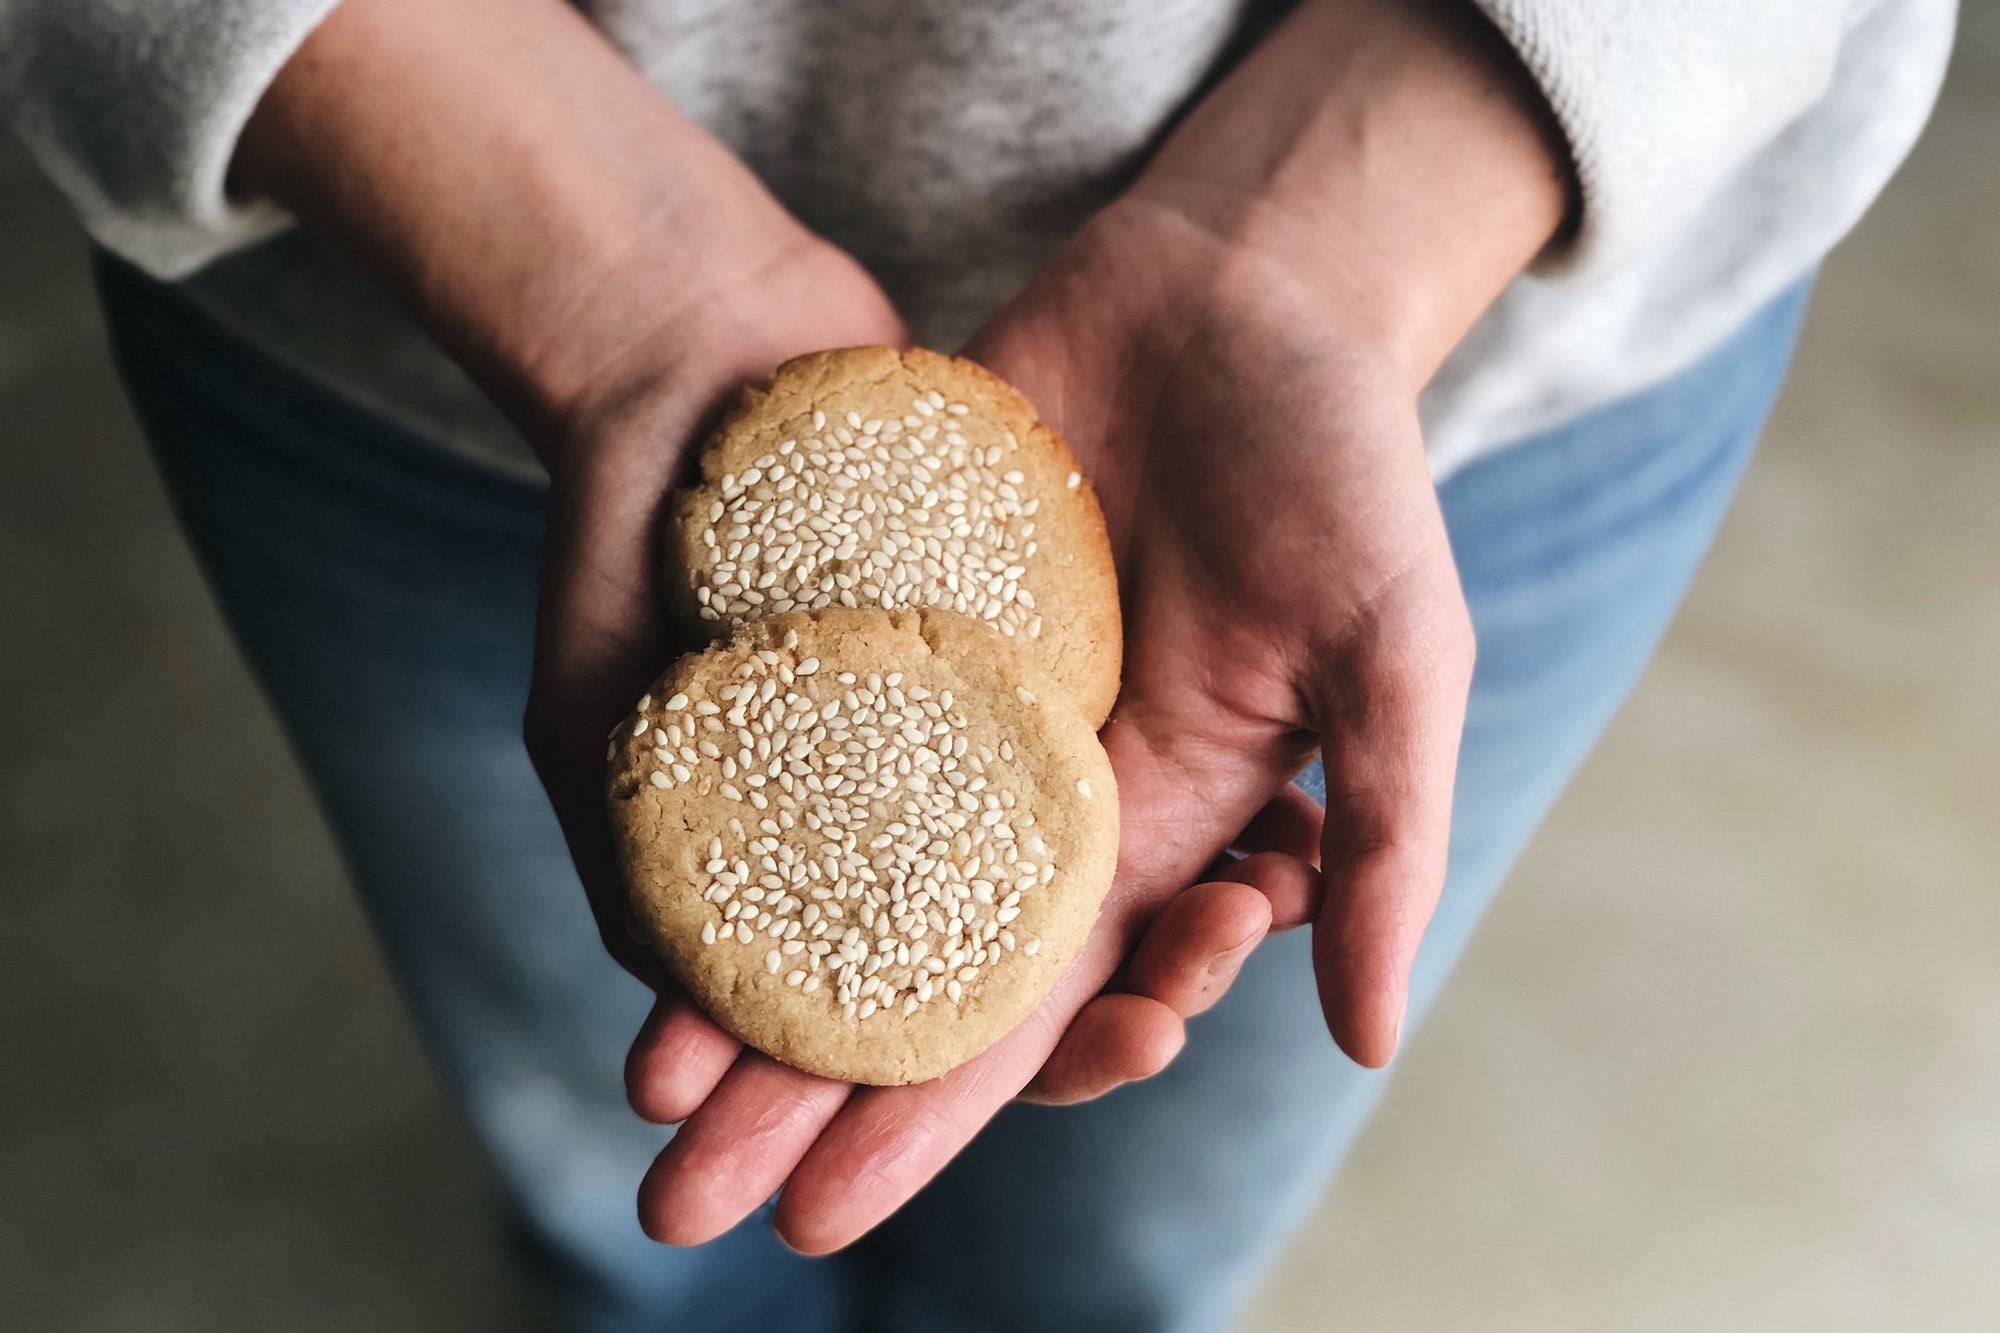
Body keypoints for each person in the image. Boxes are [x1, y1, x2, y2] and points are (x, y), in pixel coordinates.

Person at [2, 0, 1955, 1327]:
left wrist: (1344, 234)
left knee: (1137, 1236)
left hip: (1490, 324)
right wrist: (581, 252)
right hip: (409, 294)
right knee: (615, 1171)